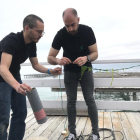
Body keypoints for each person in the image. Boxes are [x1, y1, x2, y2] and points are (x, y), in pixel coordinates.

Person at [0, 14, 62, 140]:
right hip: (2, 80)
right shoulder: (11, 40)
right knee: (3, 118)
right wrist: (17, 85)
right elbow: (3, 68)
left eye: (42, 32)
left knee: (21, 113)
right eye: (39, 32)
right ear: (27, 28)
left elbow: (36, 65)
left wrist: (50, 71)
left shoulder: (32, 44)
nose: (41, 35)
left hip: (16, 78)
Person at [48, 8, 100, 140]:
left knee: (90, 100)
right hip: (69, 72)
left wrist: (86, 58)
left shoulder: (87, 31)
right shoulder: (60, 34)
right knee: (71, 101)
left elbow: (95, 53)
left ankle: (95, 133)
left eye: (73, 25)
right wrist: (58, 60)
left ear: (78, 20)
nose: (70, 29)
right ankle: (72, 133)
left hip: (86, 70)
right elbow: (50, 57)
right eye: (67, 26)